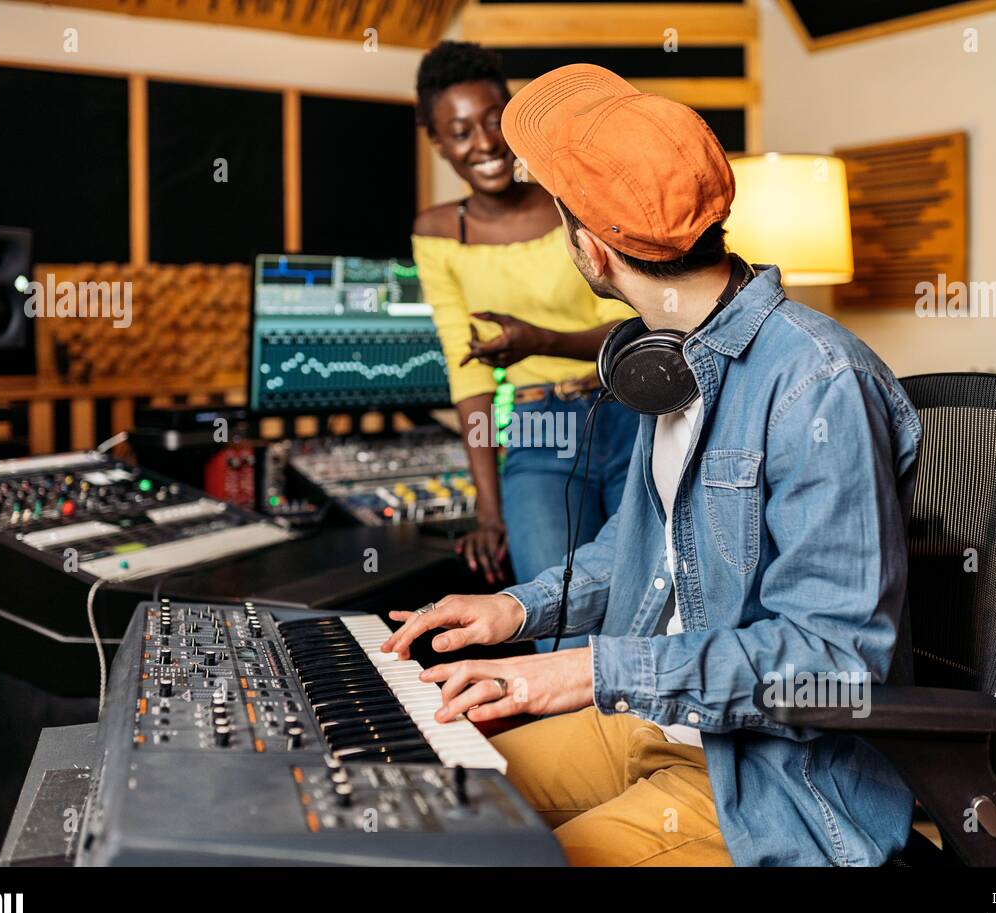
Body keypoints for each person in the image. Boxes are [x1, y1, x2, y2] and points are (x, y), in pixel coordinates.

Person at [385, 64, 924, 866]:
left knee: (493, 859)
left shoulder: (816, 381)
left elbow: (835, 663)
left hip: (766, 783)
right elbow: (643, 552)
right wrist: (516, 611)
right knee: (418, 793)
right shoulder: (666, 360)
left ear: (592, 250)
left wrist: (591, 669)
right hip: (651, 727)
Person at [412, 42, 639, 641]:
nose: (483, 145)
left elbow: (636, 328)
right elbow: (470, 378)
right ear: (437, 143)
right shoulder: (437, 234)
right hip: (538, 435)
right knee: (554, 624)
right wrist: (489, 510)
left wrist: (537, 340)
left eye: (493, 122)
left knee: (642, 618)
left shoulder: (574, 199)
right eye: (459, 132)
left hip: (629, 415)